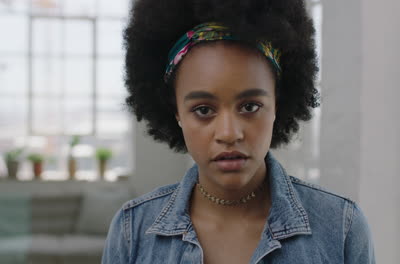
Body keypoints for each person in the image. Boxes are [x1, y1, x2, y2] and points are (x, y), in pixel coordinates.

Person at [102, 0, 376, 263]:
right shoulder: (132, 231)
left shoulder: (342, 228)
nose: (229, 133)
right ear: (177, 114)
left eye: (250, 106)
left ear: (277, 106)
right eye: (204, 110)